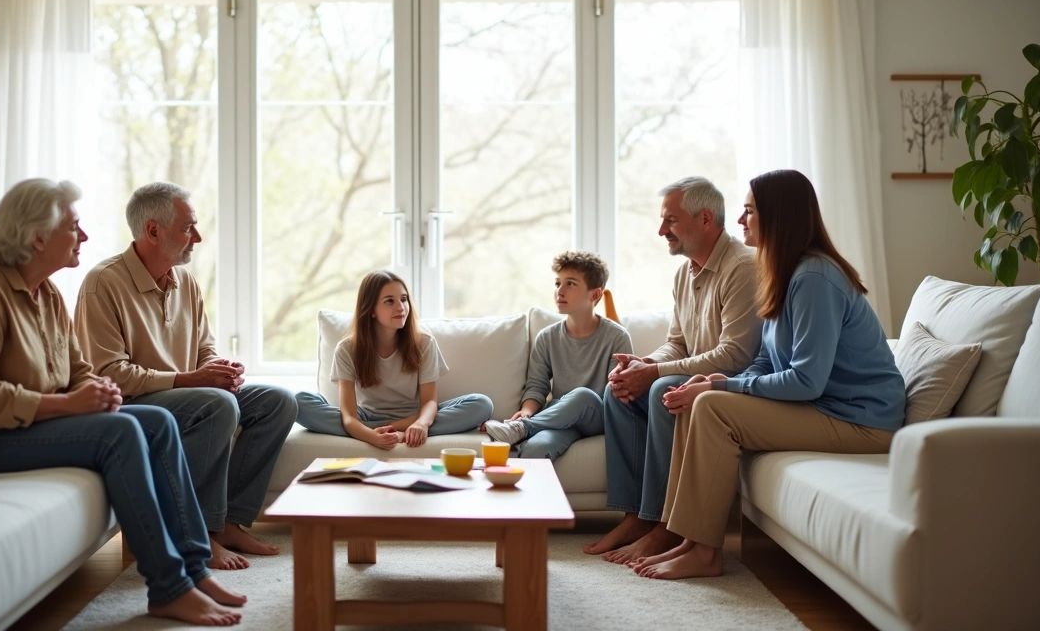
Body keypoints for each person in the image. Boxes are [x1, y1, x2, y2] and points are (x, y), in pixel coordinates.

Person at [0, 178, 246, 626]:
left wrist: (104, 393)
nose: (85, 237)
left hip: (26, 427)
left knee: (155, 420)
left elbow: (79, 371)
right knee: (120, 433)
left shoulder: (49, 294)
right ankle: (168, 587)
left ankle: (193, 568)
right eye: (73, 227)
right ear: (38, 237)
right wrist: (69, 405)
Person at [634, 169, 906, 580]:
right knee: (697, 398)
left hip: (860, 419)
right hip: (825, 406)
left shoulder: (815, 277)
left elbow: (806, 380)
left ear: (779, 217)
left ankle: (706, 553)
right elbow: (766, 359)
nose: (740, 221)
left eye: (748, 212)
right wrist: (709, 382)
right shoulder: (784, 272)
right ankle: (688, 540)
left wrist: (725, 384)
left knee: (712, 407)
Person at [75, 182, 296, 571]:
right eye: (188, 227)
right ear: (153, 231)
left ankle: (230, 523)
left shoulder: (185, 282)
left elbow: (203, 350)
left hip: (188, 395)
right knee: (217, 405)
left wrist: (221, 370)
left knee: (278, 401)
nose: (197, 236)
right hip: (131, 405)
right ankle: (196, 533)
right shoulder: (103, 283)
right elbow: (108, 374)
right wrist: (191, 380)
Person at [585, 176, 762, 562]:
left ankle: (666, 527)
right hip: (691, 378)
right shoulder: (685, 272)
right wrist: (647, 362)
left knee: (661, 390)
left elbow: (735, 355)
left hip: (730, 385)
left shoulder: (743, 269)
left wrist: (656, 374)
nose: (661, 230)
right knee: (617, 392)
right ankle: (636, 517)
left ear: (705, 219)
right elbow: (678, 342)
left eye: (671, 220)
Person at [295, 270, 493, 448]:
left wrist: (420, 424)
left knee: (482, 404)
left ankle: (396, 431)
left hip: (414, 416)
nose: (401, 307)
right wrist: (372, 437)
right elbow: (348, 416)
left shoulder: (424, 343)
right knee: (298, 402)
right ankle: (374, 430)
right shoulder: (347, 349)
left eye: (404, 299)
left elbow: (430, 402)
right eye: (389, 301)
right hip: (365, 416)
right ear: (371, 309)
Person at [481, 251, 632, 460]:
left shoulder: (617, 337)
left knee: (583, 396)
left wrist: (526, 422)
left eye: (570, 284)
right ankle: (524, 429)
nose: (559, 291)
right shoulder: (547, 337)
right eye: (557, 283)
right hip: (561, 419)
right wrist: (526, 412)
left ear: (595, 294)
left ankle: (522, 429)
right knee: (535, 449)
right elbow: (537, 386)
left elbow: (615, 395)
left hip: (598, 417)